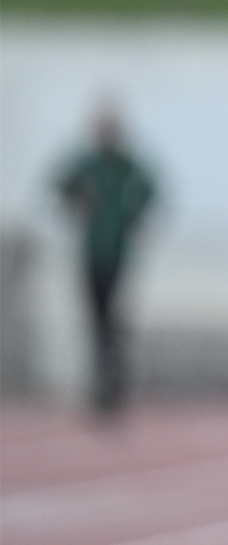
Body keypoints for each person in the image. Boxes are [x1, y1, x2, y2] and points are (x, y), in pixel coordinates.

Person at [55, 103, 157, 419]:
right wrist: (76, 206)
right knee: (96, 319)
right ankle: (102, 385)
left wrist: (134, 220)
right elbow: (60, 187)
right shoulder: (87, 164)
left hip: (118, 252)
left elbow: (149, 192)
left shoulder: (127, 167)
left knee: (112, 318)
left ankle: (114, 383)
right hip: (91, 251)